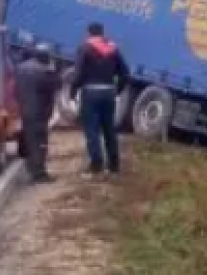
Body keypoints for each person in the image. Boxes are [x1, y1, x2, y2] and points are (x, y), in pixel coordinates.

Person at [68, 21, 130, 175]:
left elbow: (78, 74)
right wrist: (117, 90)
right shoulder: (113, 49)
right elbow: (125, 73)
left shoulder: (84, 48)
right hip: (108, 93)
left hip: (90, 93)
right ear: (103, 32)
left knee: (92, 130)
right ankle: (114, 166)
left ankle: (96, 166)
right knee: (109, 129)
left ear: (88, 33)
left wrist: (72, 92)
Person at [12, 43, 61, 183]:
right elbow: (57, 85)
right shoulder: (44, 71)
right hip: (39, 112)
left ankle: (31, 169)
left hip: (25, 110)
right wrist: (54, 69)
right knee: (40, 143)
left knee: (30, 141)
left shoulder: (20, 69)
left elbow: (15, 90)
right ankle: (39, 173)